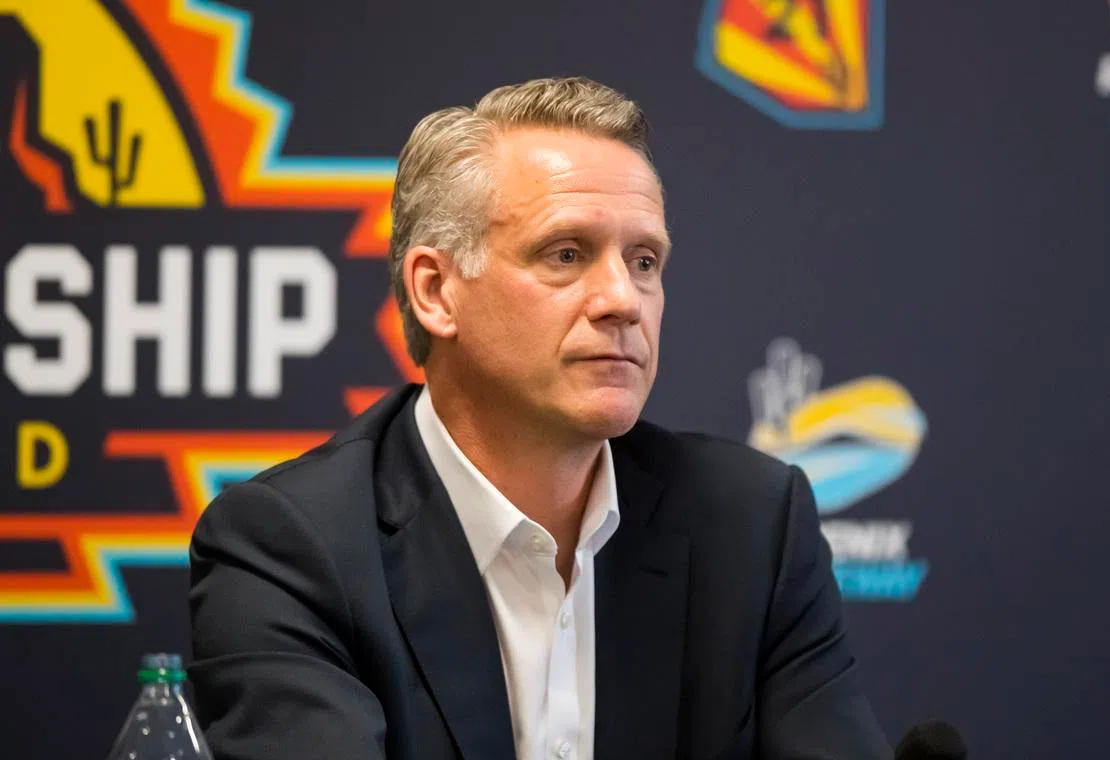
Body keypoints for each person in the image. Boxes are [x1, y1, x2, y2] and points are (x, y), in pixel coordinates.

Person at [187, 76, 892, 760]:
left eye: (645, 261)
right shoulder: (290, 549)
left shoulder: (753, 527)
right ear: (436, 291)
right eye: (566, 254)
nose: (624, 299)